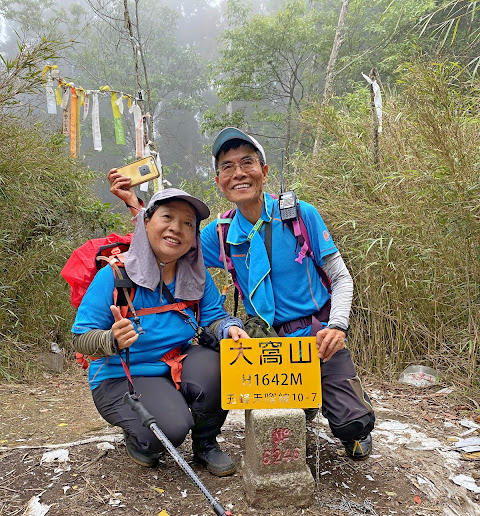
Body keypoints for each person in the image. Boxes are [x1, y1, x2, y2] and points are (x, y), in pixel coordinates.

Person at [200, 127, 375, 460]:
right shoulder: (219, 234)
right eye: (227, 166)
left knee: (354, 426)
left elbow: (340, 276)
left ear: (264, 173)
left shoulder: (298, 215)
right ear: (220, 180)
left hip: (315, 333)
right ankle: (304, 399)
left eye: (247, 162)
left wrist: (337, 325)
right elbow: (172, 248)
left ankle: (342, 398)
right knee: (273, 413)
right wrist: (138, 209)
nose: (238, 173)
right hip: (264, 339)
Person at [72, 186, 248, 476]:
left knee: (219, 363)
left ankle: (205, 445)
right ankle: (140, 439)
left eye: (188, 223)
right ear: (145, 222)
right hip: (122, 375)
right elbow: (81, 337)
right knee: (170, 430)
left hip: (175, 362)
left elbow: (215, 318)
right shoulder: (115, 276)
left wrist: (229, 328)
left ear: (193, 236)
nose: (176, 228)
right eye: (167, 217)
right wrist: (111, 339)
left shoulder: (195, 276)